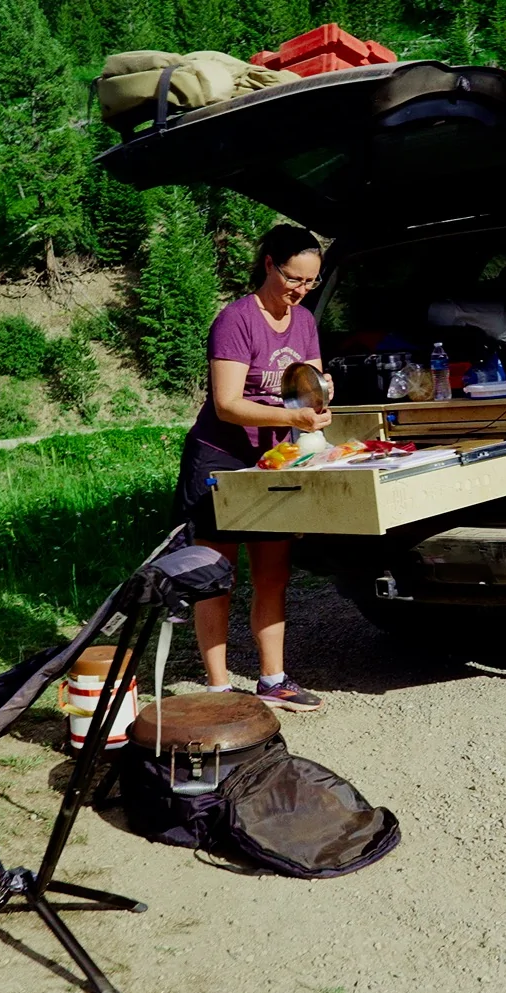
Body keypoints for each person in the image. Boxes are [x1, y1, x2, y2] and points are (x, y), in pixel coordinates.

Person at [172, 225, 332, 712]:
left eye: (310, 282)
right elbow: (226, 404)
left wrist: (320, 398)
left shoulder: (303, 320)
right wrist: (292, 416)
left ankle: (273, 679)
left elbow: (308, 382)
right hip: (221, 456)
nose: (300, 290)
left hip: (272, 459)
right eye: (293, 278)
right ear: (268, 263)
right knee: (216, 575)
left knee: (273, 573)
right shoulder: (235, 320)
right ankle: (219, 689)